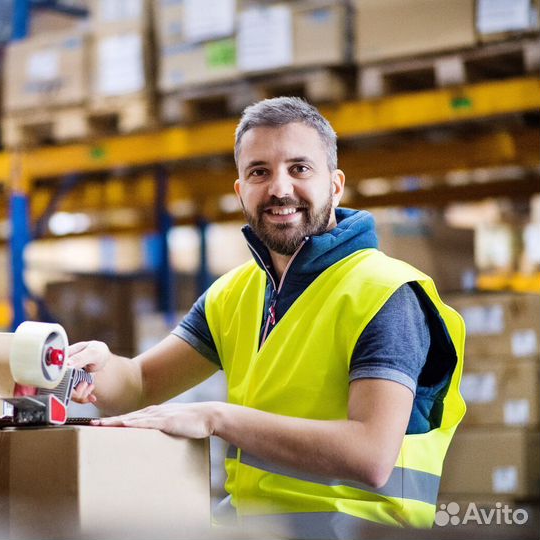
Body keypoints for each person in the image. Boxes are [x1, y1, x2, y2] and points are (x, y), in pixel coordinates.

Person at [68, 97, 466, 539]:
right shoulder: (234, 294)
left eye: (299, 168)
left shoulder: (384, 293)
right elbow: (140, 383)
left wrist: (217, 417)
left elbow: (370, 456)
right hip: (259, 529)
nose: (279, 188)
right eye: (260, 171)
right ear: (240, 190)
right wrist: (96, 370)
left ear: (335, 186)